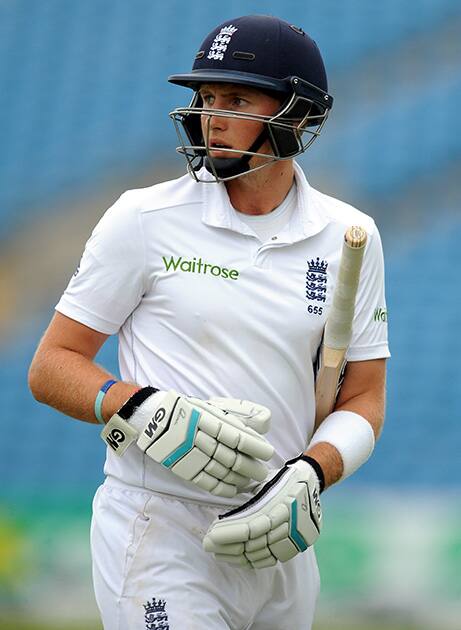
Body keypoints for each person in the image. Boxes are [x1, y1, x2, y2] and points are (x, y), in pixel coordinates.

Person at [28, 14, 389, 630]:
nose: (210, 115)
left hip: (279, 538)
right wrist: (137, 405)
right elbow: (50, 366)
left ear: (297, 115)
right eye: (205, 98)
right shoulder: (143, 218)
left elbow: (365, 397)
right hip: (160, 528)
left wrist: (314, 470)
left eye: (237, 98)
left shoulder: (349, 236)